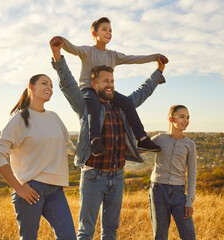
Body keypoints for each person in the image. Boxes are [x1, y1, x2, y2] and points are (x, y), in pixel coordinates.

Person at [50, 37, 167, 240]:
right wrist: (57, 56)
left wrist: (159, 71)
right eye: (105, 81)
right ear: (93, 83)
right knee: (86, 231)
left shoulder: (122, 106)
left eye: (112, 81)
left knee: (110, 231)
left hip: (117, 176)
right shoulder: (86, 106)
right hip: (93, 176)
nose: (110, 85)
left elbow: (143, 91)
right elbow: (68, 85)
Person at [51, 17, 168, 156]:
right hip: (88, 89)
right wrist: (61, 41)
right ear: (94, 34)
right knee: (94, 103)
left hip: (106, 91)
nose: (108, 32)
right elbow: (73, 49)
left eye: (110, 30)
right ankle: (95, 140)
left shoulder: (113, 55)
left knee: (127, 102)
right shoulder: (88, 51)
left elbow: (134, 58)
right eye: (104, 29)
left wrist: (155, 57)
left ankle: (142, 138)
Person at [0, 74, 77, 240]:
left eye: (51, 86)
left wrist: (87, 156)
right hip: (31, 189)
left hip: (56, 190)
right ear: (31, 86)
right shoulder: (19, 119)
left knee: (69, 237)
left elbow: (69, 146)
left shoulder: (54, 117)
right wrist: (19, 188)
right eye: (44, 83)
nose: (49, 88)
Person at [149, 105, 197, 240]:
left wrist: (190, 201)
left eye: (188, 117)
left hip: (179, 193)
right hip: (158, 190)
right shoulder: (159, 139)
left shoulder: (189, 144)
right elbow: (138, 150)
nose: (186, 120)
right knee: (160, 236)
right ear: (171, 119)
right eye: (182, 116)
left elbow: (192, 173)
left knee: (189, 236)